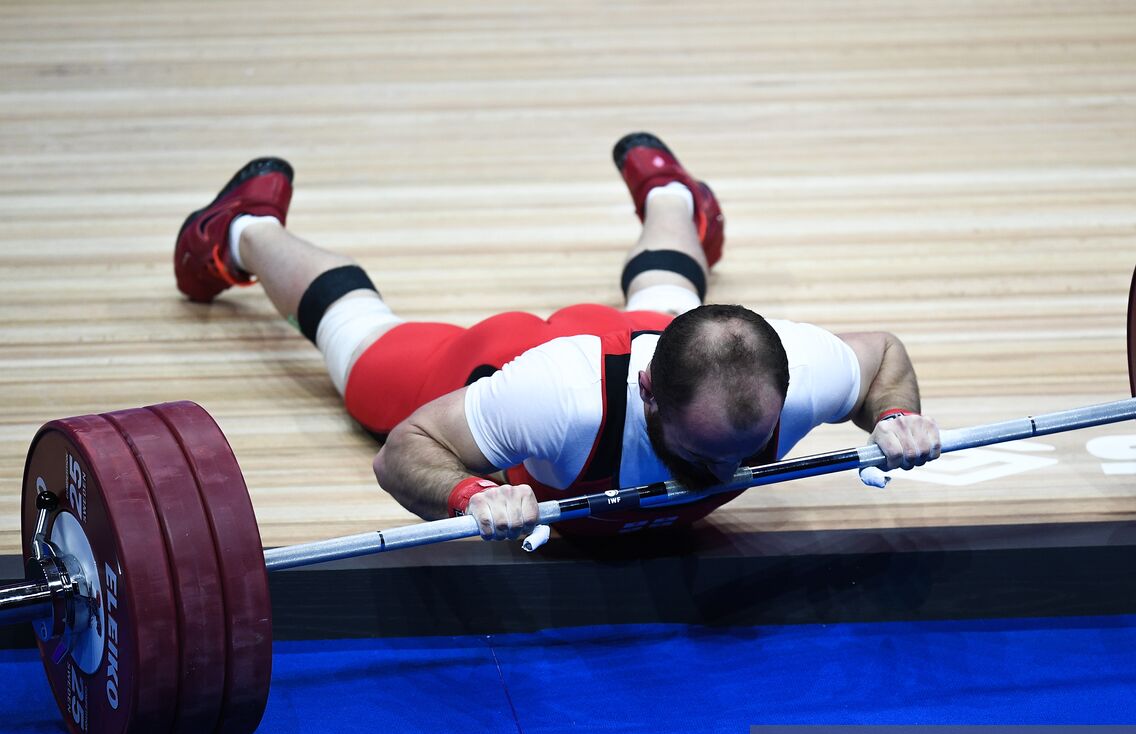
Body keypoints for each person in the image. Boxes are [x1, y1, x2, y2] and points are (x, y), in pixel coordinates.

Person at [173, 134, 940, 542]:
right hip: (510, 358)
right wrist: (468, 492)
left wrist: (894, 415)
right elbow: (402, 450)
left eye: (744, 446)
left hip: (654, 341)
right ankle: (242, 230)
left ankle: (674, 194)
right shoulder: (556, 403)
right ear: (649, 394)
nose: (724, 473)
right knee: (368, 358)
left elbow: (884, 357)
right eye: (706, 453)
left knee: (672, 304)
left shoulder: (791, 373)